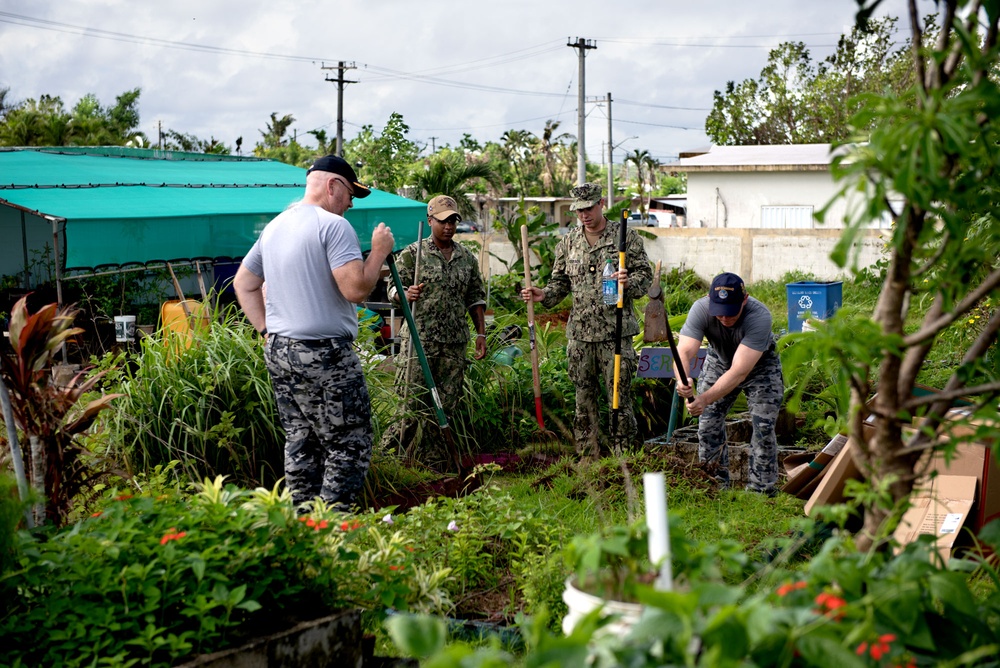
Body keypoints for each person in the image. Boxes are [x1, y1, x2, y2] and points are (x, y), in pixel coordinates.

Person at [233, 154, 394, 511]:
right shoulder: (332, 226)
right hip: (324, 353)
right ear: (332, 185)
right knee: (349, 442)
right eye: (350, 193)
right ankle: (332, 527)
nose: (351, 202)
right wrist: (379, 252)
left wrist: (266, 331)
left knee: (301, 439)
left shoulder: (275, 226)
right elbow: (356, 289)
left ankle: (302, 525)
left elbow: (244, 284)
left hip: (280, 349)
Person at [520, 182, 652, 457]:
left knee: (618, 397)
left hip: (615, 333)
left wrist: (628, 282)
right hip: (580, 335)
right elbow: (559, 283)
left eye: (588, 208)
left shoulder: (625, 237)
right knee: (583, 398)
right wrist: (542, 294)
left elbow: (646, 279)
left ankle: (622, 455)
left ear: (601, 203)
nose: (584, 215)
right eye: (578, 211)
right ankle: (587, 456)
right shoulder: (568, 242)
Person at [380, 194, 487, 469]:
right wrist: (405, 293)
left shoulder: (466, 258)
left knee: (445, 408)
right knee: (411, 406)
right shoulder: (413, 254)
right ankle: (386, 459)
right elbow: (392, 288)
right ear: (430, 221)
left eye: (452, 221)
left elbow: (475, 298)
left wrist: (480, 335)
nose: (448, 227)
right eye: (442, 221)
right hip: (420, 341)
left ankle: (431, 464)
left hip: (453, 344)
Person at [673, 272, 783, 496]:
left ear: (745, 299)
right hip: (719, 361)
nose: (724, 318)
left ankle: (761, 490)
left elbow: (739, 371)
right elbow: (683, 351)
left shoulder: (759, 316)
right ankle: (713, 483)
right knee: (708, 421)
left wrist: (703, 398)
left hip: (760, 366)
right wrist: (682, 380)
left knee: (763, 425)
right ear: (709, 298)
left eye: (731, 312)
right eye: (719, 313)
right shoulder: (700, 309)